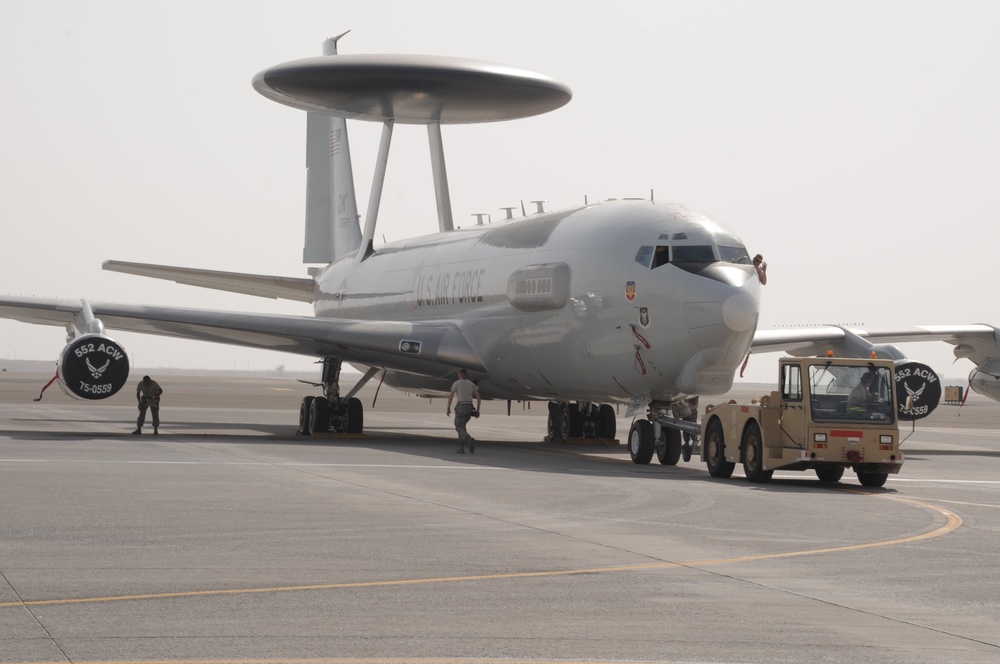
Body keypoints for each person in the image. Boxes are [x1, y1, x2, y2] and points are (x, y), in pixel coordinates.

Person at [446, 369, 481, 454]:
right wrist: (478, 410)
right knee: (462, 427)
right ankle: (461, 448)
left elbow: (450, 396)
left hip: (461, 406)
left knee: (458, 427)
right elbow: (479, 397)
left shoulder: (457, 383)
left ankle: (468, 439)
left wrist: (448, 407)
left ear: (459, 375)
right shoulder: (472, 384)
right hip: (469, 407)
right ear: (466, 375)